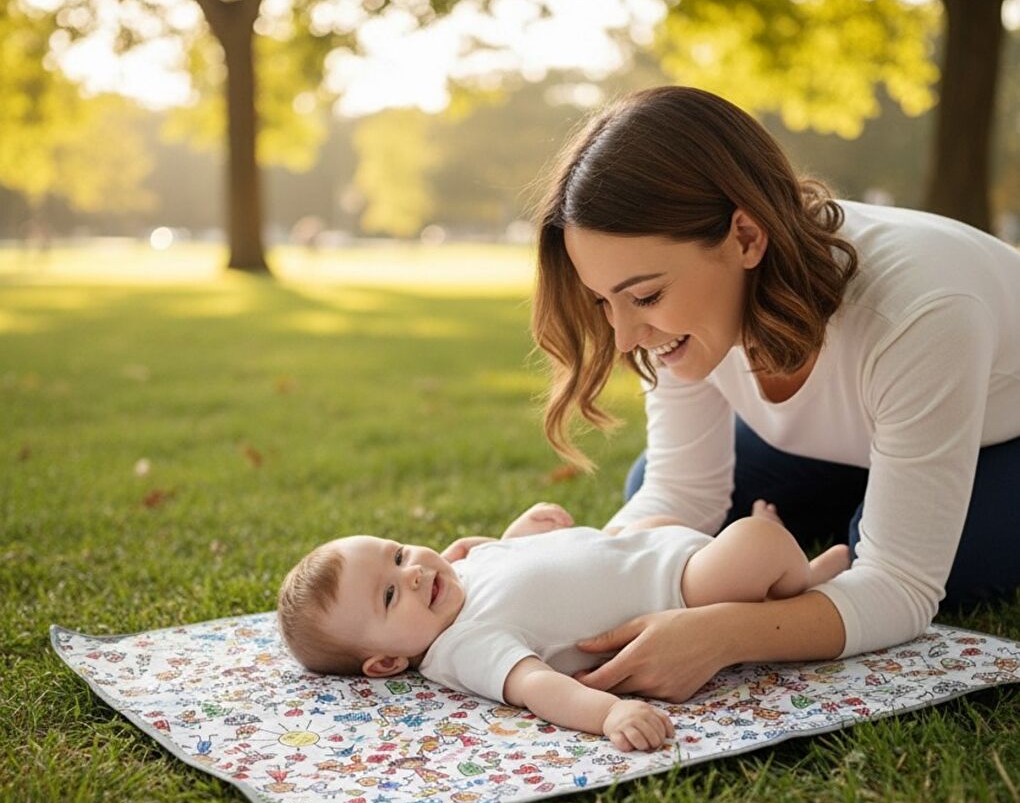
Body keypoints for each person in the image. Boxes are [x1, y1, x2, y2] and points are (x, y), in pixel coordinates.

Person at [529, 85, 1020, 703]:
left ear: (745, 238)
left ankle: (868, 515)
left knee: (957, 568)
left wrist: (724, 633)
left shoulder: (921, 309)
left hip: (999, 441)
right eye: (605, 301)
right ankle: (864, 511)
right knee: (650, 493)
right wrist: (552, 579)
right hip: (851, 442)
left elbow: (899, 587)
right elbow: (683, 492)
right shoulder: (680, 322)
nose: (624, 336)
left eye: (646, 296)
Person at [276, 500, 848, 752]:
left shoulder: (458, 572)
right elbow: (538, 688)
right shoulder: (463, 646)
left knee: (661, 520)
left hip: (643, 545)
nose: (417, 570)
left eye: (398, 553)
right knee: (755, 542)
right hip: (680, 590)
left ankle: (789, 575)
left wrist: (520, 532)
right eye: (389, 593)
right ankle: (798, 575)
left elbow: (519, 566)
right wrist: (609, 714)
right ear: (387, 663)